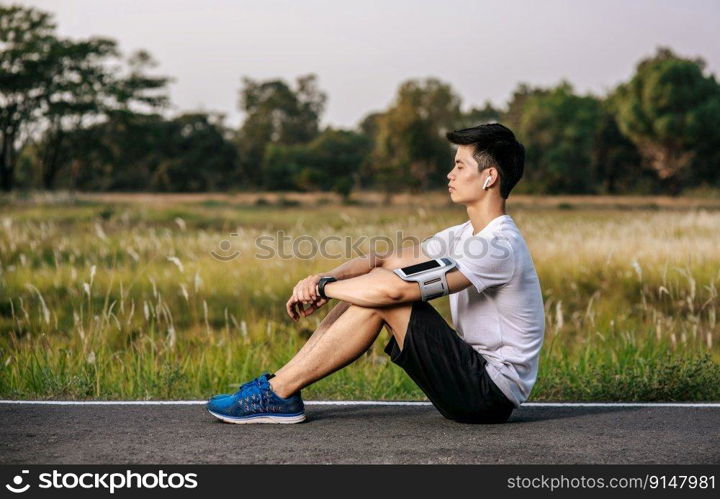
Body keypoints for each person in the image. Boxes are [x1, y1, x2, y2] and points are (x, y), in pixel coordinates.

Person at [207, 123, 545, 424]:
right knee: (368, 287)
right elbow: (381, 262)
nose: (449, 175)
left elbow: (396, 292)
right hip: (470, 381)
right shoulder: (462, 235)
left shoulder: (499, 245)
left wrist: (326, 290)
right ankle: (278, 388)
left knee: (387, 298)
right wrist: (325, 279)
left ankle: (278, 392)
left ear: (490, 177)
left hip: (489, 394)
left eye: (459, 166)